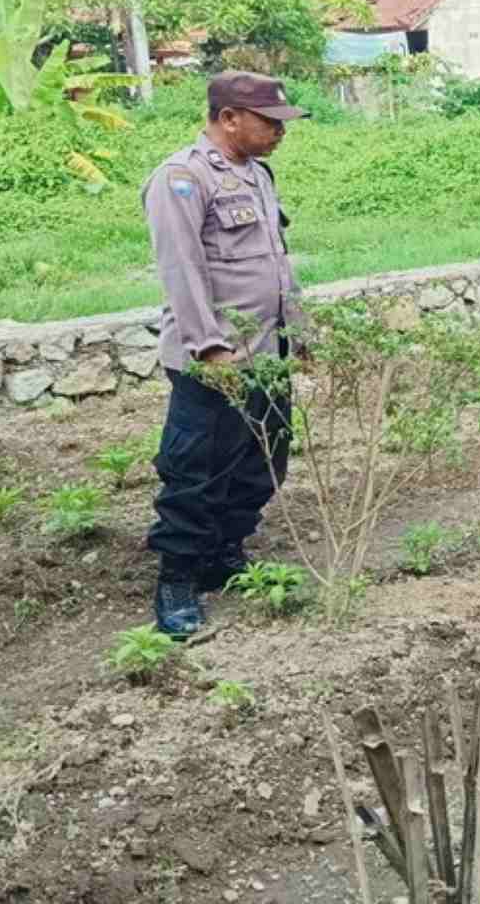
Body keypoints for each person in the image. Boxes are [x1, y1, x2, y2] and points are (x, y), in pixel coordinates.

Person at [141, 71, 313, 637]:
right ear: (229, 117)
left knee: (262, 462)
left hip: (268, 349)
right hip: (215, 358)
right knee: (196, 471)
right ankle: (178, 580)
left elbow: (276, 262)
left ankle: (224, 553)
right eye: (269, 122)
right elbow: (181, 271)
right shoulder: (183, 179)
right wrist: (210, 349)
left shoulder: (258, 175)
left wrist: (300, 332)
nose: (278, 133)